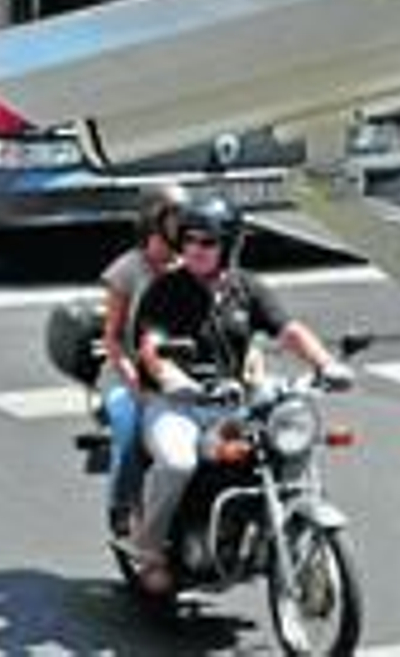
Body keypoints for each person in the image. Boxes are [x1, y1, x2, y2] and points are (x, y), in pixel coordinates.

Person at [127, 192, 354, 593]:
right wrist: (172, 378)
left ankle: (279, 533)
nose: (196, 249)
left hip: (235, 401)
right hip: (178, 404)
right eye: (190, 240)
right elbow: (150, 344)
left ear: (228, 244)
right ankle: (149, 550)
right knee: (178, 463)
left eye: (208, 241)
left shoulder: (246, 288)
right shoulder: (165, 289)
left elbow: (288, 330)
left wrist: (325, 364)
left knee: (289, 446)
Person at [97, 184, 184, 537]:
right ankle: (123, 501)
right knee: (131, 426)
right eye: (173, 219)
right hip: (127, 373)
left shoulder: (193, 265)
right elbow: (113, 339)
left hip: (179, 373)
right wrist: (135, 384)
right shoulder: (128, 270)